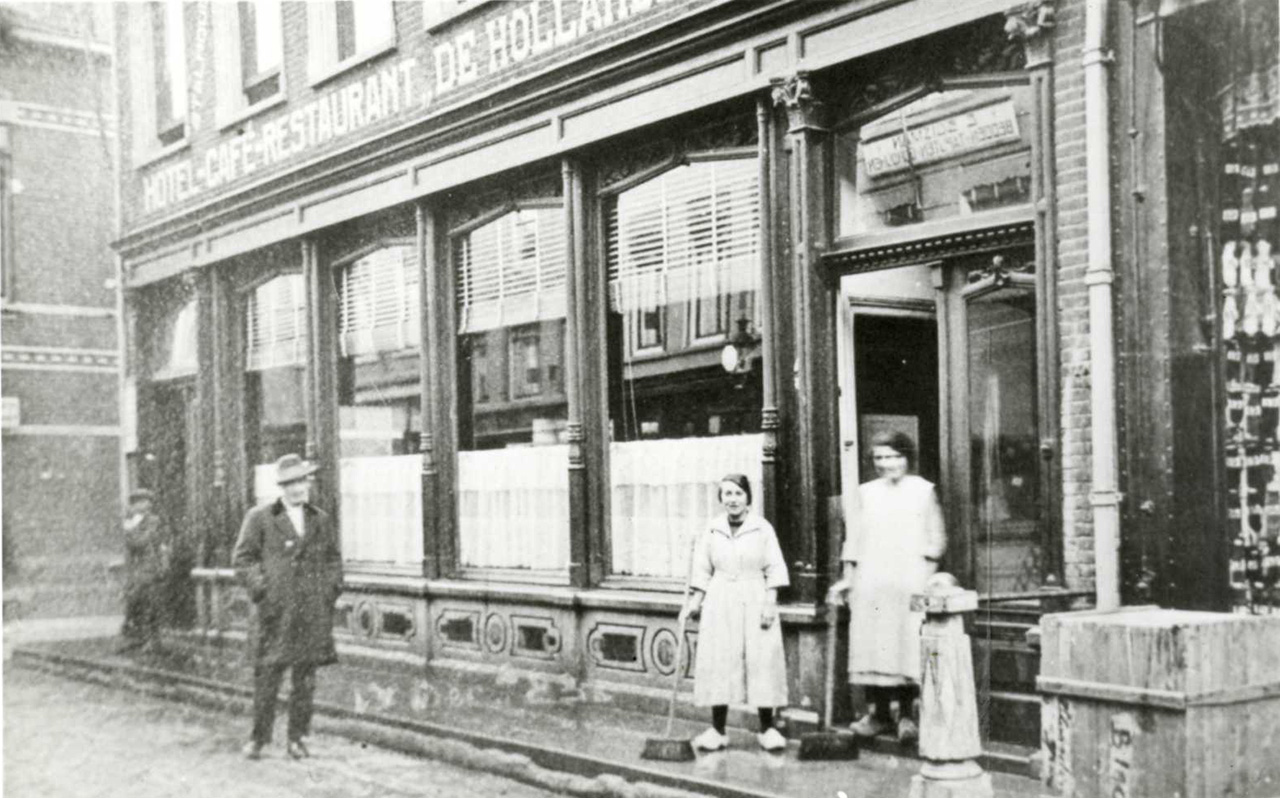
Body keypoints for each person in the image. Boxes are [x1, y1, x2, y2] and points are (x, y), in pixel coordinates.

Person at [827, 431, 945, 744]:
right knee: (873, 644)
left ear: (907, 457)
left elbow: (936, 540)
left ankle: (906, 714)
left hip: (909, 582)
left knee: (905, 644)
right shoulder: (865, 493)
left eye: (893, 456)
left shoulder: (923, 491)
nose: (886, 464)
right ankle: (877, 713)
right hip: (871, 582)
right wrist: (848, 579)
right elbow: (853, 541)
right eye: (879, 458)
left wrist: (924, 581)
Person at [232, 453, 343, 761]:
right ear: (282, 487)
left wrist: (329, 592)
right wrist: (263, 592)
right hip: (274, 614)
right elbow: (242, 560)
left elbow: (333, 559)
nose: (298, 489)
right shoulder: (260, 517)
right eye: (291, 483)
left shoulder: (320, 518)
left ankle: (298, 738)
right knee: (267, 679)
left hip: (310, 614)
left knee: (305, 682)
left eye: (302, 482)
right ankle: (259, 738)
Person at [678, 473, 790, 752]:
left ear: (748, 497)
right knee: (721, 660)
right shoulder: (712, 529)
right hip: (721, 598)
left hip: (755, 595)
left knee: (761, 658)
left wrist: (770, 602)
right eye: (727, 494)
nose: (733, 499)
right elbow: (703, 569)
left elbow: (775, 567)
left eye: (738, 493)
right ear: (720, 499)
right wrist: (694, 603)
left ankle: (767, 729)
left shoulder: (762, 528)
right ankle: (717, 730)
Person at [119, 488, 170, 653]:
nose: (147, 506)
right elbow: (135, 544)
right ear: (136, 505)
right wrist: (149, 532)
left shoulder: (154, 521)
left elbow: (163, 543)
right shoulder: (131, 523)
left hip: (154, 571)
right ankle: (143, 639)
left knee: (154, 606)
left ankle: (154, 640)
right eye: (143, 502)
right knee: (141, 605)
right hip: (139, 572)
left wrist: (164, 559)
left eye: (148, 502)